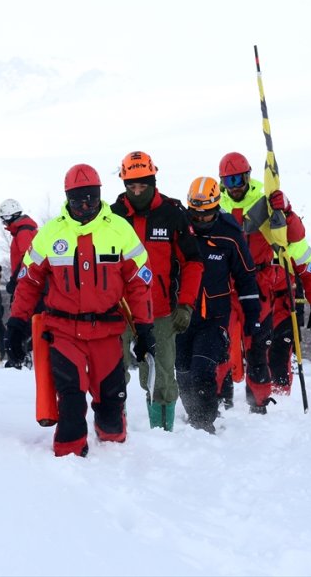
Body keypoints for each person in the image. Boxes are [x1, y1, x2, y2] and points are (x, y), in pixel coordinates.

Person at [5, 163, 154, 457]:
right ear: (67, 199)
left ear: (100, 196)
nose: (85, 205)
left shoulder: (119, 230)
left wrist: (145, 327)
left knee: (111, 406)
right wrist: (17, 323)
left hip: (107, 331)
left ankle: (113, 447)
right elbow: (28, 282)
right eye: (78, 200)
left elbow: (139, 282)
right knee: (71, 398)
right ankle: (70, 454)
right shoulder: (50, 234)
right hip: (63, 332)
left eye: (91, 198)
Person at [218, 152, 311, 408]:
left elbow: (300, 249)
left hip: (263, 286)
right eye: (229, 182)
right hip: (227, 286)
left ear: (248, 176)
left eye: (239, 180)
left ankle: (263, 402)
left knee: (262, 347)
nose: (235, 188)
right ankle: (220, 403)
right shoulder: (216, 206)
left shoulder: (266, 200)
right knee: (222, 345)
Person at [111, 151, 203, 431]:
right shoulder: (111, 217)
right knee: (112, 371)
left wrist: (186, 305)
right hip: (120, 310)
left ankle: (163, 431)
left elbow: (193, 263)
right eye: (131, 186)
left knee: (162, 375)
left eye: (143, 185)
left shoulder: (173, 214)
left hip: (161, 310)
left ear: (153, 180)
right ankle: (114, 425)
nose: (137, 191)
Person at [176, 177, 261, 433]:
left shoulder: (230, 232)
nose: (200, 219)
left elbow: (246, 277)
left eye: (205, 215)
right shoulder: (180, 227)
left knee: (203, 370)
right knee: (183, 371)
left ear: (216, 207)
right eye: (195, 214)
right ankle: (194, 417)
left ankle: (206, 422)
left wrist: (252, 318)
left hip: (215, 317)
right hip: (182, 315)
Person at [0, 198, 39, 305]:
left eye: (4, 220)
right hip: (31, 281)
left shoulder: (23, 232)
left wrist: (14, 280)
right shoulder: (26, 230)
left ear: (8, 216)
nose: (4, 224)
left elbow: (27, 258)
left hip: (27, 283)